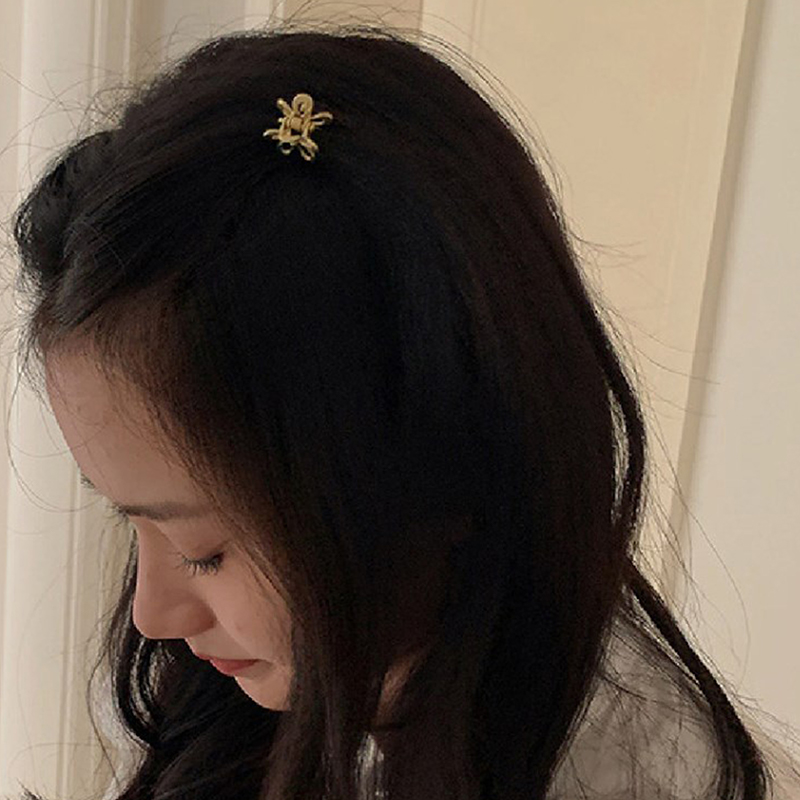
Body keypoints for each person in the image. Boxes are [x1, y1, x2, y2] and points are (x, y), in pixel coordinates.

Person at [5, 19, 799, 800]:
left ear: (437, 464)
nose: (152, 615)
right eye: (131, 523)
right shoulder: (241, 699)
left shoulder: (639, 775)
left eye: (204, 550)